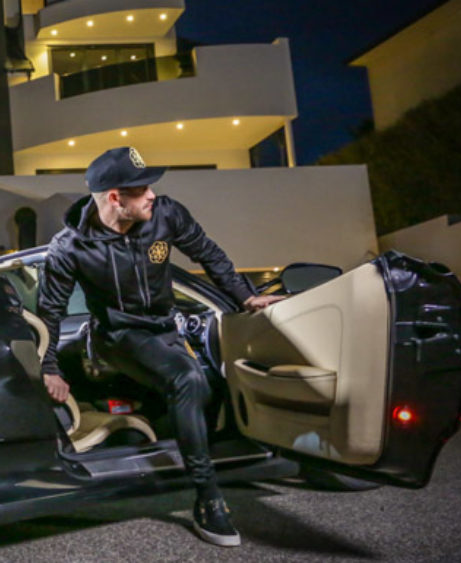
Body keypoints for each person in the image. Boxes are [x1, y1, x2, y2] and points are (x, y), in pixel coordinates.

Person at [37, 146, 283, 547]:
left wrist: (246, 297)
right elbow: (49, 311)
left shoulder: (166, 214)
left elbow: (208, 253)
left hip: (165, 327)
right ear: (115, 198)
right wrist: (49, 367)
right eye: (141, 189)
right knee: (188, 378)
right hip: (117, 336)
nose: (152, 194)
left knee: (206, 383)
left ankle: (179, 444)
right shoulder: (70, 247)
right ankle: (208, 498)